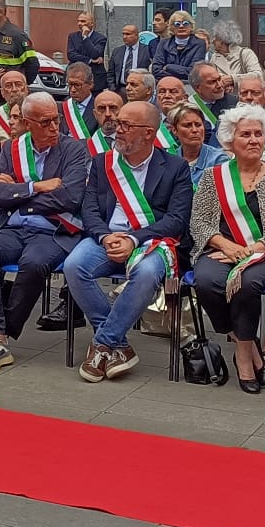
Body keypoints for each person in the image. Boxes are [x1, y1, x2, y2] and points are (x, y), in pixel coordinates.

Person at [63, 99, 194, 383]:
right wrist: (106, 236)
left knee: (146, 273)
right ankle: (118, 344)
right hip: (106, 237)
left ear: (148, 133)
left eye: (125, 124)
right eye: (118, 123)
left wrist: (134, 239)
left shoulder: (176, 167)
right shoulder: (103, 163)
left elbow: (177, 220)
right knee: (74, 265)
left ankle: (102, 344)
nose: (116, 129)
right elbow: (89, 210)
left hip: (152, 242)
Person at [0, 92, 91, 373]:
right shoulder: (11, 149)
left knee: (33, 263)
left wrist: (17, 192)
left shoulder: (74, 149)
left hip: (54, 231)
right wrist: (37, 187)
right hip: (13, 229)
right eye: (45, 122)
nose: (54, 127)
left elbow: (70, 197)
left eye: (56, 120)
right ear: (27, 122)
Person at [190, 105, 265, 391]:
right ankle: (249, 344)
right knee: (206, 281)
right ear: (230, 141)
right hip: (222, 250)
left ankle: (243, 358)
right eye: (245, 135)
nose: (253, 140)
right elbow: (199, 222)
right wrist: (226, 245)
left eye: (258, 134)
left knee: (246, 282)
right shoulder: (214, 177)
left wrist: (252, 250)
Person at [168, 102, 228, 188]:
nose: (195, 130)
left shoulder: (219, 160)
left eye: (198, 125)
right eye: (187, 125)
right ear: (174, 130)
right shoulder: (167, 159)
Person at [0, 68, 31, 153]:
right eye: (8, 86)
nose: (14, 89)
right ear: (2, 92)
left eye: (18, 84)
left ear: (26, 89)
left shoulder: (38, 110)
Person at [148, 9, 205, 82]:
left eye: (185, 23)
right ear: (171, 27)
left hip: (189, 86)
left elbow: (194, 72)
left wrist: (169, 67)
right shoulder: (163, 43)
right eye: (177, 24)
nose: (181, 26)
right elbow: (156, 70)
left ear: (191, 26)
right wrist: (178, 76)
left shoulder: (199, 44)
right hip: (166, 83)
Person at [65, 12, 106, 84]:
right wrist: (90, 60)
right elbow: (71, 55)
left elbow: (95, 54)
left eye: (83, 21)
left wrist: (85, 37)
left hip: (94, 77)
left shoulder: (101, 38)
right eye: (78, 21)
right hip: (75, 74)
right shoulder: (73, 36)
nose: (79, 23)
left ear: (92, 24)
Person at [188, 62, 233, 126]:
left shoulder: (235, 104)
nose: (219, 85)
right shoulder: (189, 106)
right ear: (198, 88)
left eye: (219, 79)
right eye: (212, 82)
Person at [108, 23, 152, 89]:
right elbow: (111, 73)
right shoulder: (117, 51)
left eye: (128, 34)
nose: (124, 37)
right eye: (123, 34)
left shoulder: (147, 50)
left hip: (140, 89)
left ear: (136, 35)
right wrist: (112, 88)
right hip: (120, 89)